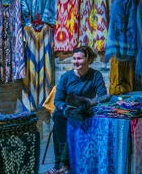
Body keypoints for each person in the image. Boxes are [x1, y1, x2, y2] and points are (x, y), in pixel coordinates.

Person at [46, 46, 107, 174]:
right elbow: (58, 100)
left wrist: (91, 103)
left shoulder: (95, 75)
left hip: (85, 110)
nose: (76, 62)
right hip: (68, 110)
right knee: (59, 116)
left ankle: (72, 164)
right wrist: (65, 108)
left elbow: (103, 96)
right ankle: (61, 164)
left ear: (88, 59)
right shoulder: (66, 77)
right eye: (74, 59)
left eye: (79, 58)